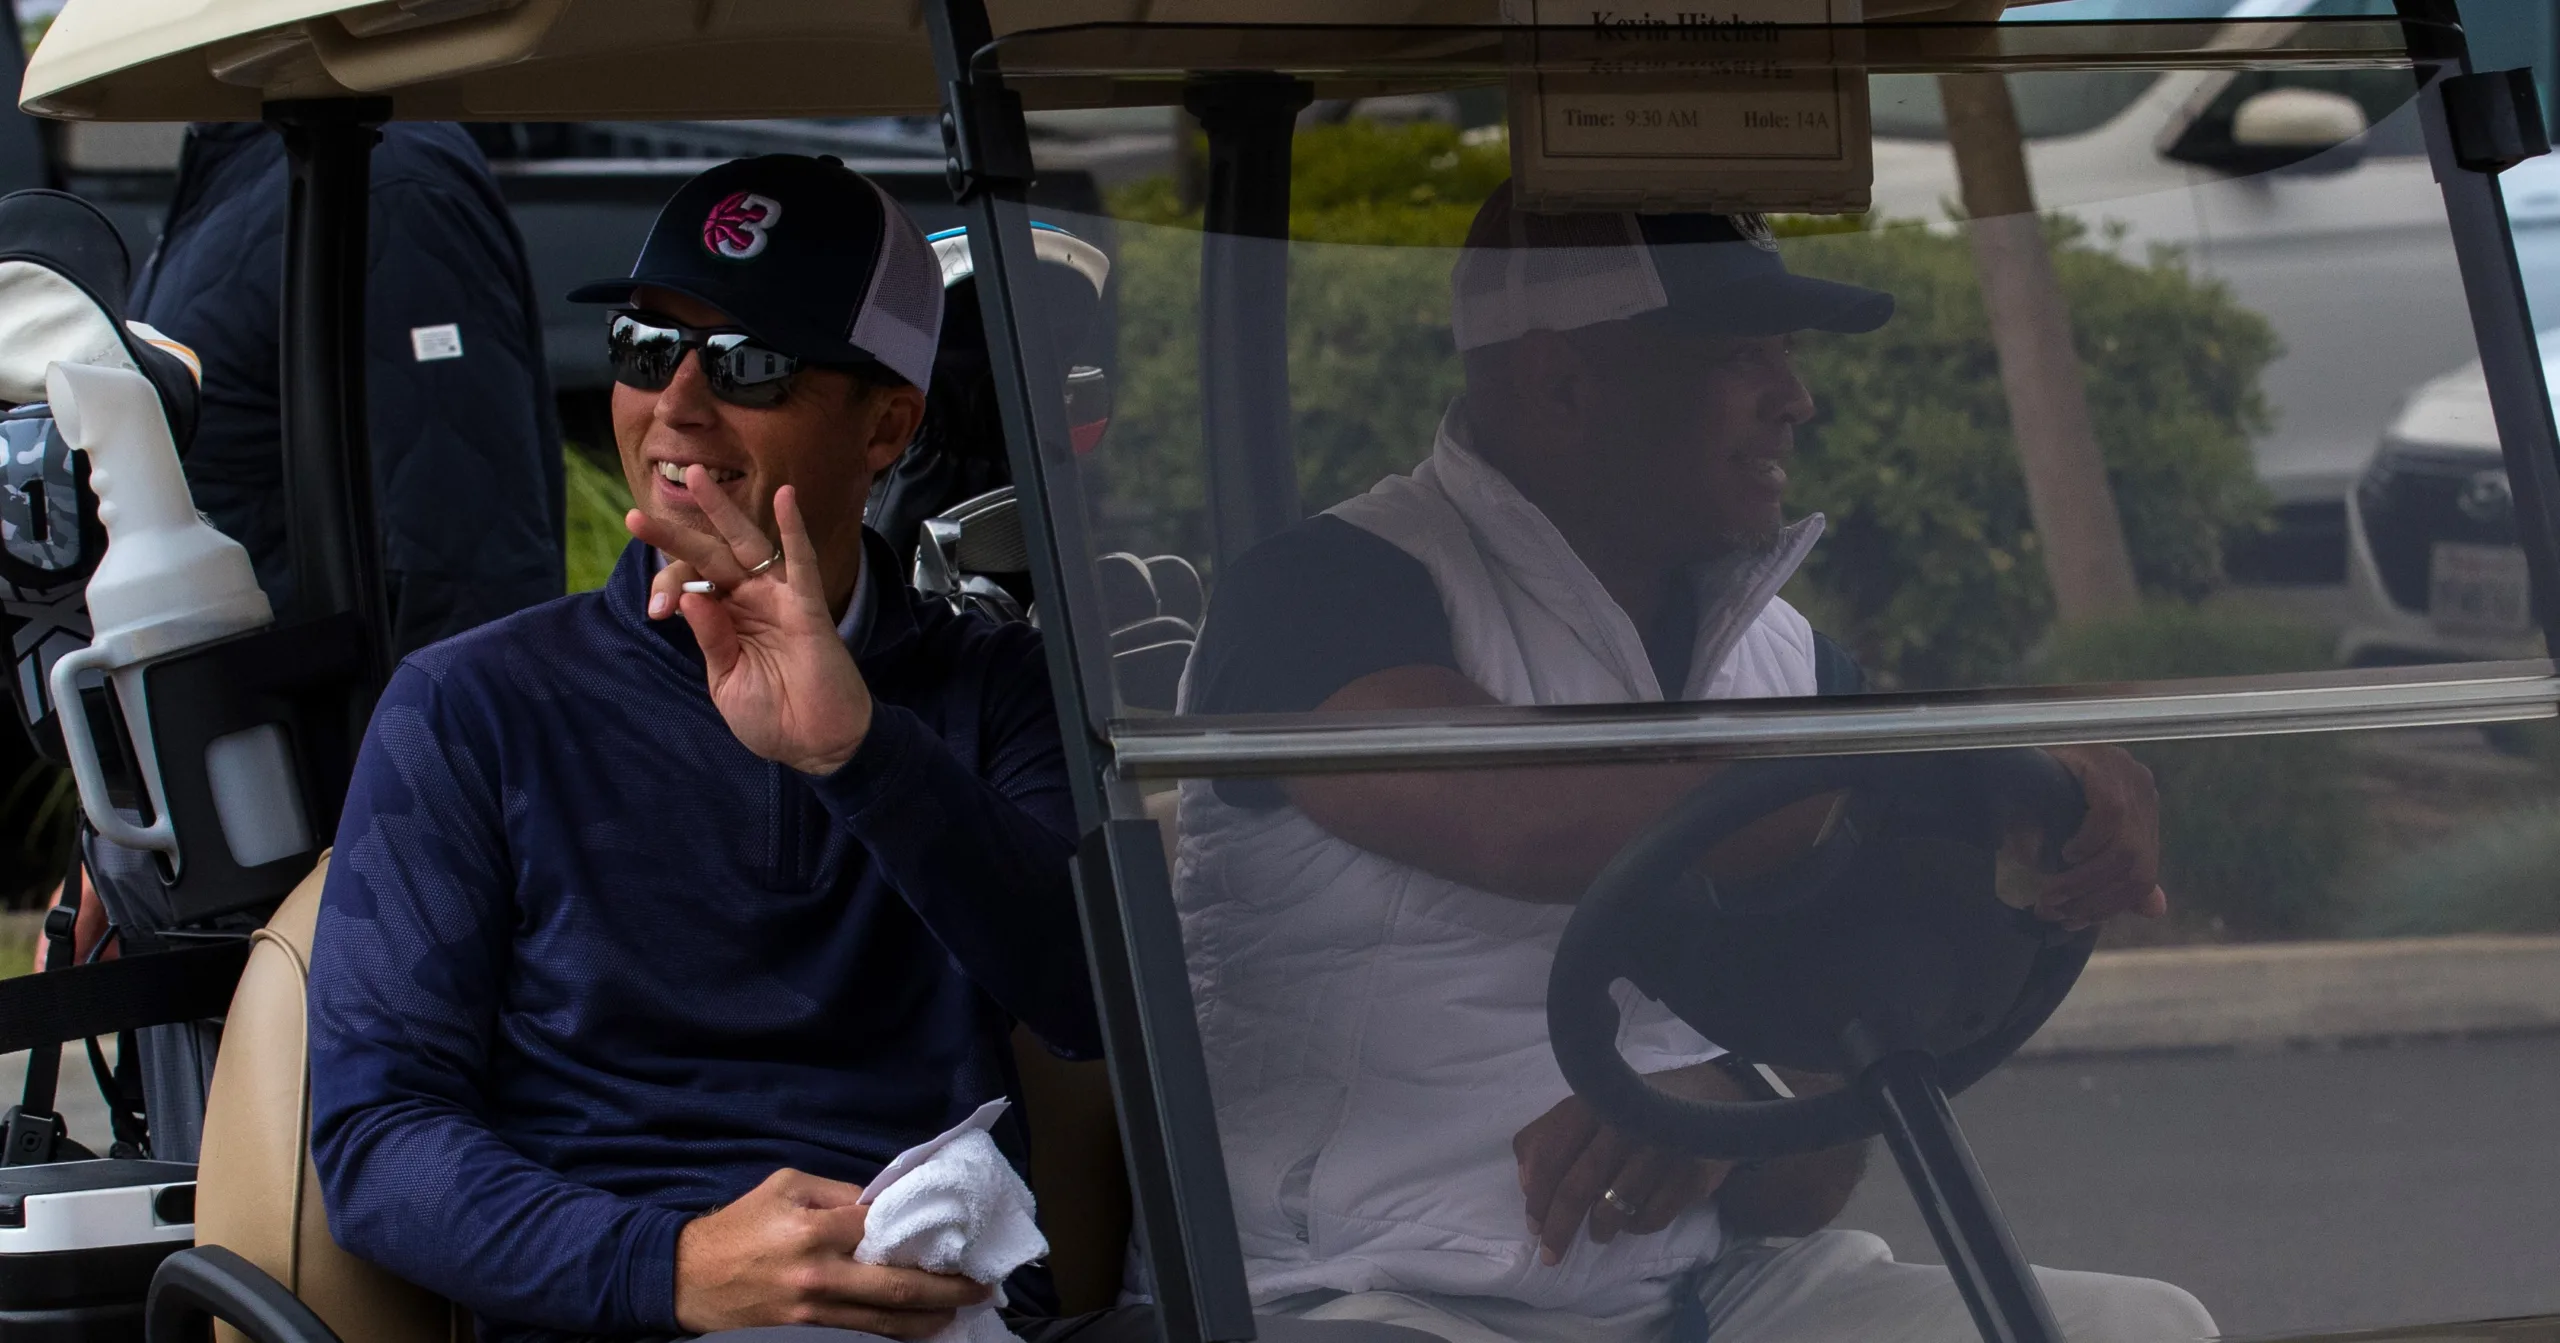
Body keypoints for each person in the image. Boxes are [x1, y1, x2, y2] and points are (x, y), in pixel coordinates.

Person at [305, 154, 1429, 1343]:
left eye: (747, 364)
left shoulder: (991, 688)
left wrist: (859, 753)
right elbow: (379, 1137)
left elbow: (1095, 1007)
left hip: (942, 1304)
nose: (676, 406)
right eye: (647, 347)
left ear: (888, 422)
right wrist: (672, 1262)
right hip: (631, 1307)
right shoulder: (474, 702)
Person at [1172, 185, 2211, 1343]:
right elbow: (1513, 817)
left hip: (1691, 1295)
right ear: (1563, 384)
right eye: (1739, 355)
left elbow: (1820, 1142)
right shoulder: (1327, 590)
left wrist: (1734, 1095)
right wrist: (1939, 763)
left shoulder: (1789, 658)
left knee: (2144, 1325)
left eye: (1785, 354)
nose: (1795, 401)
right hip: (1365, 1293)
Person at [131, 120, 563, 655]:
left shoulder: (386, 180)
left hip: (334, 725)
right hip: (246, 713)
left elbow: (465, 563)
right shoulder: (235, 159)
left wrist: (426, 739)